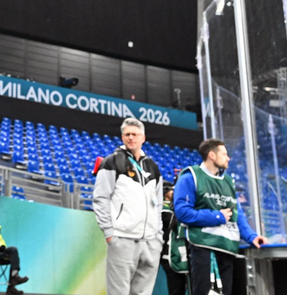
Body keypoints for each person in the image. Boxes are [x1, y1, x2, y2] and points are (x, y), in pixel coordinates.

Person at [173, 138, 267, 295]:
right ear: (212, 155)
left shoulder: (228, 181)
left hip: (226, 247)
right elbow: (182, 213)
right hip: (203, 246)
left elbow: (237, 215)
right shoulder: (190, 177)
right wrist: (216, 216)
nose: (228, 158)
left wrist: (252, 237)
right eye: (224, 154)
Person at [93, 118, 163, 295]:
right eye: (127, 135)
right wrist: (110, 234)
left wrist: (158, 238)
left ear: (143, 138)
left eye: (135, 134)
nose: (131, 138)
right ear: (122, 137)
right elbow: (100, 199)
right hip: (122, 239)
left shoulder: (153, 167)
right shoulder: (111, 162)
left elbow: (159, 204)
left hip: (150, 242)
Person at [159, 181, 188, 295]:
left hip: (181, 257)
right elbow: (173, 220)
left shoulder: (173, 209)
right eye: (172, 190)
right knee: (176, 290)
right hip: (169, 257)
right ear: (164, 192)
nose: (175, 192)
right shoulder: (163, 211)